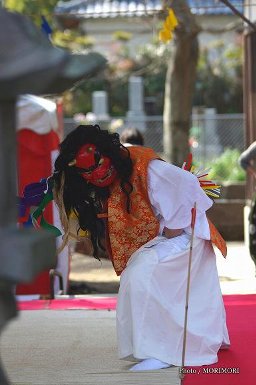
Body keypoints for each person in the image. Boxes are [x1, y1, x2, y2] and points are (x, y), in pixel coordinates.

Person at [51, 124, 229, 371]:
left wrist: (170, 233)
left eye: (97, 164)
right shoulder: (114, 175)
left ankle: (163, 351)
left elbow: (186, 183)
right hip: (165, 234)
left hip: (187, 234)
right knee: (138, 270)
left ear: (106, 153)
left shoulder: (146, 165)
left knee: (141, 273)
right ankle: (152, 345)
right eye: (87, 172)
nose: (96, 174)